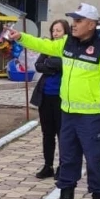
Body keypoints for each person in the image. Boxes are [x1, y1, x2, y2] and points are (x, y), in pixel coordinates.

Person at [6, 3, 100, 199]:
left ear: (91, 24)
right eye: (73, 20)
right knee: (68, 158)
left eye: (79, 21)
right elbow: (44, 45)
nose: (74, 24)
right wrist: (21, 37)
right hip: (68, 114)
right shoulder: (67, 43)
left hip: (92, 118)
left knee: (95, 160)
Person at [30, 19, 69, 179]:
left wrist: (51, 63)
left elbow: (63, 64)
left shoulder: (69, 49)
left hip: (62, 98)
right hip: (45, 96)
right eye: (53, 31)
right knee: (47, 133)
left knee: (62, 134)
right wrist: (53, 65)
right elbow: (38, 65)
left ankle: (63, 166)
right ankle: (48, 166)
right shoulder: (48, 47)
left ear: (66, 32)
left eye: (59, 31)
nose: (55, 34)